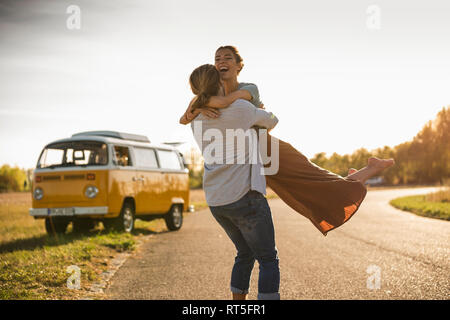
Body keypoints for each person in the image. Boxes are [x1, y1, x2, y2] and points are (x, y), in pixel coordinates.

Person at [180, 45, 395, 236]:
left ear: (238, 66)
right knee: (298, 191)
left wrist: (201, 103)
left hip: (268, 149)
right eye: (217, 59)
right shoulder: (207, 97)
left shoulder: (247, 89)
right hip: (252, 159)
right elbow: (183, 119)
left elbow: (226, 102)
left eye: (227, 58)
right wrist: (200, 104)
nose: (221, 62)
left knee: (309, 179)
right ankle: (355, 178)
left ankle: (361, 175)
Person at [189, 64, 281, 300]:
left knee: (245, 253)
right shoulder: (241, 108)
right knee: (268, 259)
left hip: (217, 201)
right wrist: (258, 110)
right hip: (245, 196)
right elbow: (273, 121)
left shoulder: (195, 118)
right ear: (220, 84)